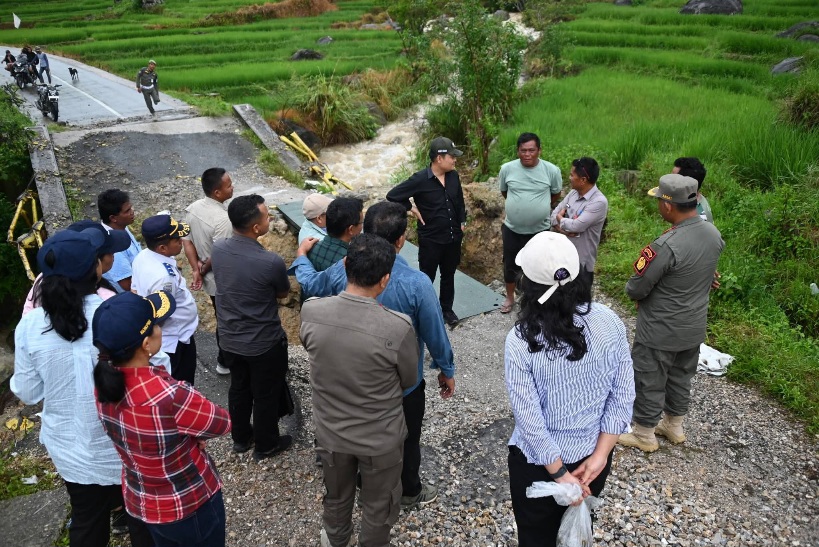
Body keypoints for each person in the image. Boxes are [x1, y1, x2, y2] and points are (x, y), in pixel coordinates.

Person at [292, 200, 455, 509]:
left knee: (352, 425)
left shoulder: (345, 270)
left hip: (347, 372)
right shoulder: (417, 283)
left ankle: (356, 479)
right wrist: (446, 369)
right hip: (401, 383)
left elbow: (312, 284)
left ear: (362, 233)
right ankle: (408, 490)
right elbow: (434, 332)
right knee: (406, 437)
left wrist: (301, 257)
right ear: (400, 240)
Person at [11, 229, 153, 547]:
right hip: (124, 441)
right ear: (96, 269)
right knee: (140, 515)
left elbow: (29, 393)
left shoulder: (30, 326)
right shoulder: (115, 312)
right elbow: (148, 371)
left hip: (69, 446)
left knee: (88, 521)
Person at [505, 231, 634, 547]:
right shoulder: (610, 322)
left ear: (528, 286)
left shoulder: (521, 341)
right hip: (592, 462)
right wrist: (601, 456)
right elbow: (623, 395)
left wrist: (561, 475)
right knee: (575, 537)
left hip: (539, 467)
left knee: (536, 537)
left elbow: (530, 421)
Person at [301, 233, 419, 547]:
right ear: (384, 280)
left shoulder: (312, 312)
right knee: (379, 505)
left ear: (345, 264)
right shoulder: (398, 326)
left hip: (331, 433)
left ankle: (336, 540)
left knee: (337, 497)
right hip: (379, 439)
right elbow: (409, 379)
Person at [93, 290, 231, 547]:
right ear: (146, 345)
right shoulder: (168, 395)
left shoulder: (103, 385)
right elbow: (221, 423)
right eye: (156, 324)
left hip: (143, 500)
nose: (159, 328)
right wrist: (190, 434)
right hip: (188, 504)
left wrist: (182, 434)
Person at [618, 174, 724, 452]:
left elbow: (637, 287)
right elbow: (706, 272)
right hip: (693, 326)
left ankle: (644, 434)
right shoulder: (713, 234)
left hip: (660, 328)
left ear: (667, 206)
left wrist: (640, 295)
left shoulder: (665, 245)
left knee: (649, 376)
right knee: (680, 376)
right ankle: (674, 426)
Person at [211, 194, 293, 461]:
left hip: (230, 338)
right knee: (265, 394)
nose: (270, 219)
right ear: (256, 228)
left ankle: (241, 438)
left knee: (238, 387)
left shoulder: (219, 249)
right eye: (267, 216)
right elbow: (282, 293)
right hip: (263, 342)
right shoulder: (270, 262)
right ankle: (266, 445)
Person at [386, 136, 466, 326]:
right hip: (431, 239)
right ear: (439, 158)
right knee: (425, 277)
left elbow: (459, 200)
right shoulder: (420, 179)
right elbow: (393, 195)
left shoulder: (454, 176)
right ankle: (422, 311)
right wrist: (410, 207)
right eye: (452, 157)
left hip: (453, 237)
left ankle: (446, 309)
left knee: (449, 275)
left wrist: (462, 220)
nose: (455, 160)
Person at [498, 132, 563, 314]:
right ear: (518, 151)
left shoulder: (551, 171)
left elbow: (556, 194)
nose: (527, 154)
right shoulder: (507, 169)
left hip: (539, 231)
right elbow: (505, 191)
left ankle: (536, 300)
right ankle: (510, 297)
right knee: (510, 264)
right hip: (512, 228)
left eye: (531, 150)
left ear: (539, 151)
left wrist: (539, 206)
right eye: (523, 150)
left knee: (538, 265)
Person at [132, 214, 200, 384]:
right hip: (175, 340)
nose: (181, 241)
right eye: (177, 239)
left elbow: (134, 289)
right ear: (162, 247)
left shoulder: (144, 256)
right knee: (181, 385)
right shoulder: (163, 278)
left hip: (176, 336)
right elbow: (160, 314)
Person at [182, 167, 235, 375]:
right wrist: (202, 270)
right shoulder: (224, 220)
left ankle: (226, 358)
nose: (233, 187)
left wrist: (195, 269)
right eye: (229, 185)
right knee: (227, 319)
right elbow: (218, 252)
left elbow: (187, 242)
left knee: (220, 314)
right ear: (217, 193)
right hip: (219, 277)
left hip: (207, 275)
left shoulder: (193, 208)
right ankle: (225, 361)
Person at [23, 220, 129, 316]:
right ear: (95, 262)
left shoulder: (45, 279)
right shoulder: (107, 302)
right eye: (111, 251)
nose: (114, 254)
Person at [550, 157, 608, 286]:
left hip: (581, 265)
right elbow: (553, 216)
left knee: (579, 303)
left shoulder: (598, 202)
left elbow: (576, 226)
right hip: (562, 260)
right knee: (559, 299)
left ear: (583, 180)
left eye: (572, 175)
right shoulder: (573, 194)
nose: (569, 178)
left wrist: (561, 219)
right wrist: (563, 229)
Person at [98, 189, 142, 293]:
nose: (132, 212)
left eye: (131, 208)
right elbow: (129, 285)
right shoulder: (113, 248)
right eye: (127, 211)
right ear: (113, 218)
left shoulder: (121, 226)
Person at [306, 196, 363, 271]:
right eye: (361, 222)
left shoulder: (311, 249)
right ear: (351, 229)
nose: (362, 226)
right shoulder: (351, 261)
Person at [672, 157, 712, 223]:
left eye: (672, 177)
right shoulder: (692, 199)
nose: (668, 180)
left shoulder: (696, 217)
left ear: (685, 184)